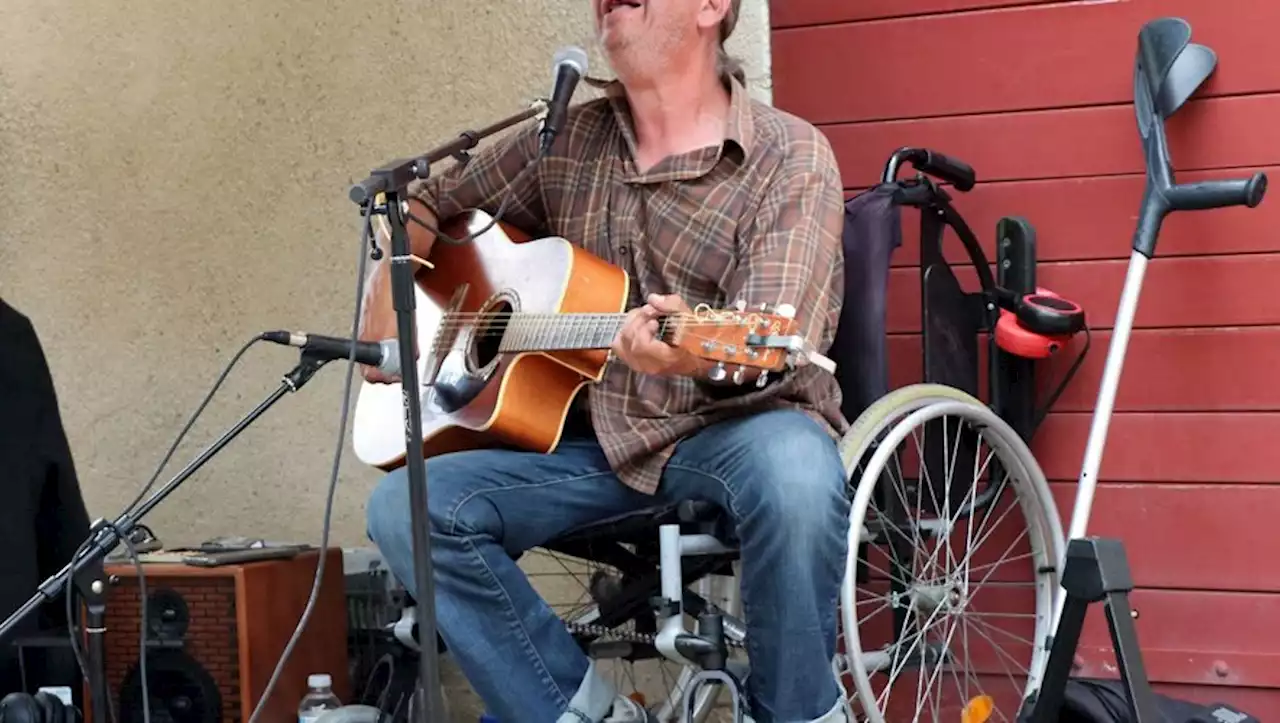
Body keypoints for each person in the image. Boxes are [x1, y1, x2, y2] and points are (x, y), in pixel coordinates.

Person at [361, 0, 850, 720]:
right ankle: (579, 710)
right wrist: (387, 317)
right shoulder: (565, 139)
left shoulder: (789, 155)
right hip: (596, 448)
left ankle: (798, 712)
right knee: (405, 508)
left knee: (798, 469)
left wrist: (681, 353)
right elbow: (424, 203)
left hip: (736, 432)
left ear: (712, 7)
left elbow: (769, 337)